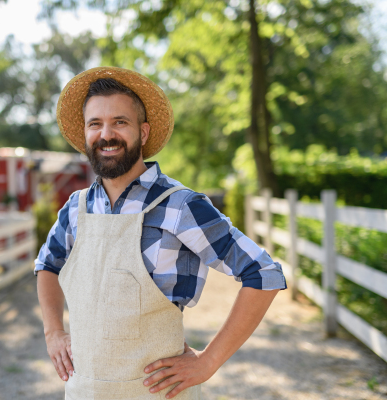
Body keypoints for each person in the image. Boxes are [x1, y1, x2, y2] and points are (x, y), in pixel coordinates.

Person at [35, 67, 287, 400]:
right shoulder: (75, 208)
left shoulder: (180, 205)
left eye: (119, 122)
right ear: (85, 133)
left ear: (143, 131)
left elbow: (263, 272)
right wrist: (53, 332)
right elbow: (47, 266)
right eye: (95, 124)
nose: (106, 134)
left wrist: (208, 362)